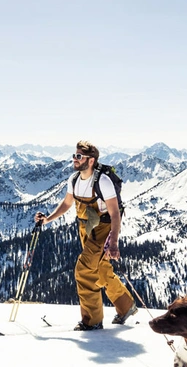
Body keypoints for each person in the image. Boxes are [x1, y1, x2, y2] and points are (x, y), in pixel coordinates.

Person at [35, 140, 138, 330]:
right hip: (85, 229)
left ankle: (92, 320)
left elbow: (115, 213)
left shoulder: (102, 181)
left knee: (84, 271)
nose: (75, 159)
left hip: (103, 229)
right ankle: (126, 306)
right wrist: (48, 219)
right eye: (74, 155)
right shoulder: (74, 179)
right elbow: (67, 204)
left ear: (91, 160)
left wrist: (113, 242)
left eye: (79, 156)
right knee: (100, 269)